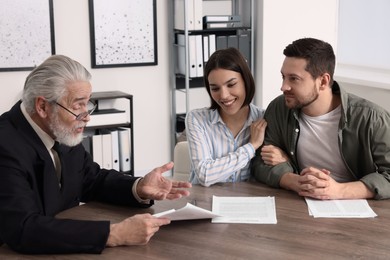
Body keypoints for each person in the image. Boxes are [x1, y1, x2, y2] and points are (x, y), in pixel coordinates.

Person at [0, 55, 192, 254]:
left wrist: (139, 187)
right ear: (42, 107)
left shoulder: (58, 129)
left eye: (87, 104)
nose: (87, 117)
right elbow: (22, 227)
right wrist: (113, 234)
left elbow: (91, 179)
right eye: (78, 106)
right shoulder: (5, 146)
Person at [251, 37, 390, 200]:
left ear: (323, 81)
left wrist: (338, 190)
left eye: (293, 79)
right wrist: (294, 181)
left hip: (356, 212)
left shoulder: (372, 118)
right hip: (298, 204)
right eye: (283, 77)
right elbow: (259, 163)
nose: (283, 87)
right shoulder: (279, 108)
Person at [186, 47, 288, 187]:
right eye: (215, 88)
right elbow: (205, 175)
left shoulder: (265, 118)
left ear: (246, 81)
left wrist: (284, 157)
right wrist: (252, 147)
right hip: (205, 202)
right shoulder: (196, 119)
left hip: (246, 202)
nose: (224, 95)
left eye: (231, 84)